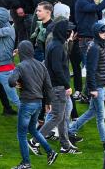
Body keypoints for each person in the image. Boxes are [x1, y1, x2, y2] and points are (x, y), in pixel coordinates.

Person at [28, 20, 80, 155]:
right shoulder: (57, 47)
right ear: (65, 32)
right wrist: (67, 85)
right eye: (70, 30)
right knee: (57, 117)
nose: (72, 32)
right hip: (58, 87)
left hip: (56, 85)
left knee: (62, 117)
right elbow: (57, 69)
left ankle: (65, 146)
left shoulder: (56, 44)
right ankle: (34, 141)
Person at [8, 40, 58, 169]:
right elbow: (48, 86)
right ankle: (51, 152)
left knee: (21, 134)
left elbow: (11, 80)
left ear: (21, 51)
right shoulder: (41, 66)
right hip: (38, 104)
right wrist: (48, 102)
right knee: (32, 129)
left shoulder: (21, 66)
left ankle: (26, 163)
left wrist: (17, 83)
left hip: (27, 104)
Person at [69, 22, 105, 150]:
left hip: (100, 85)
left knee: (91, 112)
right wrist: (92, 89)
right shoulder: (95, 48)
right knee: (100, 117)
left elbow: (101, 67)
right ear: (96, 33)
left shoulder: (100, 45)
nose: (104, 34)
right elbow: (91, 70)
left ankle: (70, 130)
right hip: (97, 88)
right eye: (101, 32)